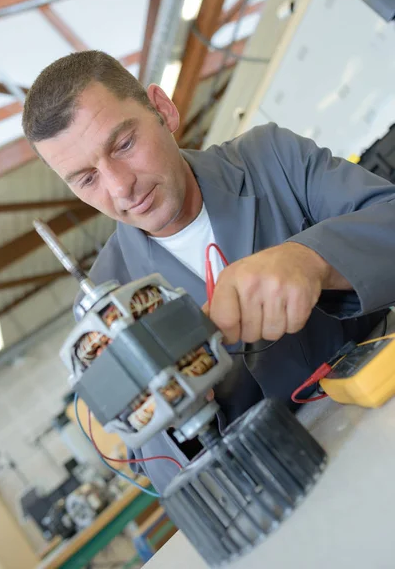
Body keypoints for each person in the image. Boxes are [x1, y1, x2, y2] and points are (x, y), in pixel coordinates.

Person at [23, 51, 395, 492]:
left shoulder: (271, 157)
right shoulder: (108, 308)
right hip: (282, 489)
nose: (120, 188)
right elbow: (156, 468)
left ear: (163, 110)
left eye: (123, 144)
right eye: (87, 179)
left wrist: (313, 260)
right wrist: (174, 412)